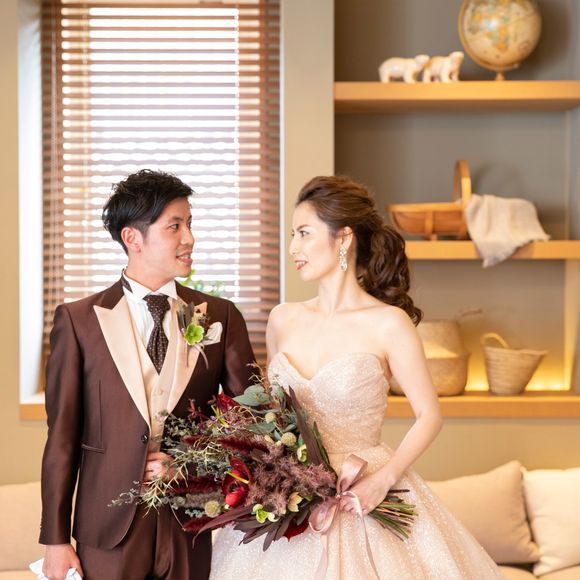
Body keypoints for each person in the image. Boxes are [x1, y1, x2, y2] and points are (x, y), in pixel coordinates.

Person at [210, 175, 503, 579]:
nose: (293, 248)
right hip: (290, 497)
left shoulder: (389, 324)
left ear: (344, 238)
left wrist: (384, 479)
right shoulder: (282, 319)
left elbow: (430, 415)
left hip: (365, 487)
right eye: (293, 235)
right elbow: (275, 415)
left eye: (304, 233)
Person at [39, 169, 255, 580]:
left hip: (190, 520)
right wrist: (55, 539)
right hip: (106, 527)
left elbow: (251, 426)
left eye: (190, 224)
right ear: (132, 238)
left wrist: (193, 472)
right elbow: (62, 437)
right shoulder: (79, 321)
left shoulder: (220, 316)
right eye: (175, 226)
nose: (189, 238)